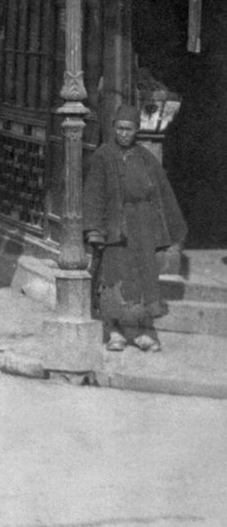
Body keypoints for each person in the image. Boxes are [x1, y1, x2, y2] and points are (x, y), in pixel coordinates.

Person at [84, 104, 187, 353]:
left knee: (144, 279)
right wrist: (94, 230)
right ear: (113, 129)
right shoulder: (103, 155)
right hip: (114, 227)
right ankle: (116, 331)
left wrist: (163, 231)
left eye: (128, 129)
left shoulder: (145, 157)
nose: (123, 134)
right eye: (119, 128)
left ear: (136, 130)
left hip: (142, 227)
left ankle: (143, 332)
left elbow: (161, 194)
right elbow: (94, 194)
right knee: (114, 277)